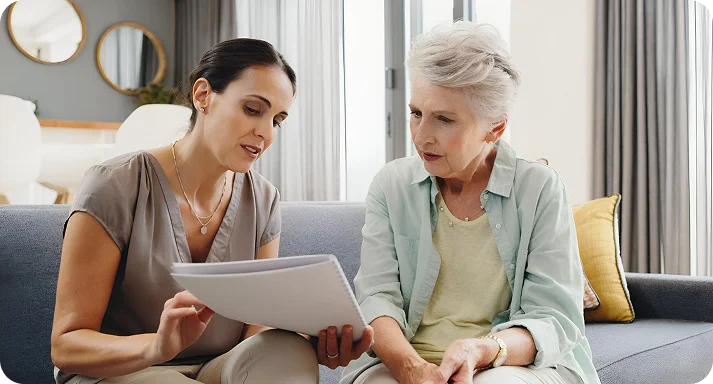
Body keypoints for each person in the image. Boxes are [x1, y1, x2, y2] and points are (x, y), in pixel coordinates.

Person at [50, 38, 373, 384]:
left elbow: (256, 330)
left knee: (286, 353)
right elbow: (67, 345)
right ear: (203, 95)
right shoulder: (115, 185)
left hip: (218, 370)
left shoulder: (263, 199)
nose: (264, 133)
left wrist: (302, 339)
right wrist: (156, 347)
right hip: (126, 370)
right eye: (252, 109)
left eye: (276, 121)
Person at [341, 22, 600, 384]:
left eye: (444, 120)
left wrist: (482, 350)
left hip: (511, 363)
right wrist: (410, 368)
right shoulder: (391, 185)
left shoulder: (539, 189)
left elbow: (553, 318)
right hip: (403, 361)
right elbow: (376, 297)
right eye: (416, 113)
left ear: (494, 129)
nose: (421, 136)